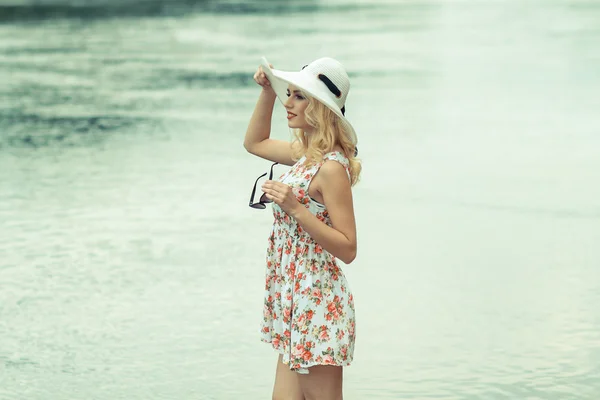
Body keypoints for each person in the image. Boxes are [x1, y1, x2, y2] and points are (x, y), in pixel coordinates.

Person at [243, 56, 361, 400]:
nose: (288, 103)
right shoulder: (307, 155)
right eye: (288, 93)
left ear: (321, 108)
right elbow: (254, 144)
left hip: (317, 303)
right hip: (291, 298)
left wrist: (295, 208)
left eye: (298, 96)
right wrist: (267, 91)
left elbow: (349, 248)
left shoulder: (331, 168)